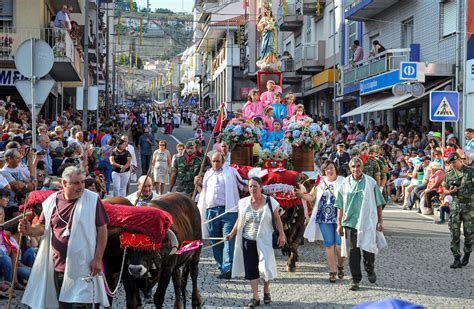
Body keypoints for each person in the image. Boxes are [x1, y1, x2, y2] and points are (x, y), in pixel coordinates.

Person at [19, 166, 110, 308]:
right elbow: (42, 227)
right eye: (76, 183)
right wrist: (29, 230)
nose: (81, 187)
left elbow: (102, 230)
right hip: (59, 266)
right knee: (64, 305)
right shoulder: (51, 201)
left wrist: (98, 258)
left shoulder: (92, 199)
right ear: (64, 183)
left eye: (82, 182)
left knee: (83, 305)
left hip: (85, 265)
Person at [226, 177, 285, 307]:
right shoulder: (243, 202)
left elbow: (277, 219)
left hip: (265, 239)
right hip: (248, 240)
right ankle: (255, 297)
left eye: (255, 186)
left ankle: (266, 291)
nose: (252, 189)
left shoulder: (270, 202)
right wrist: (231, 234)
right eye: (250, 186)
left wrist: (282, 234)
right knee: (251, 268)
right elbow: (239, 220)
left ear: (261, 187)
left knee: (265, 267)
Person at [336, 157, 385, 291]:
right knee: (353, 253)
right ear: (350, 168)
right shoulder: (345, 184)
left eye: (358, 166)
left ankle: (370, 269)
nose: (355, 169)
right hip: (350, 223)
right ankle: (355, 280)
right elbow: (339, 205)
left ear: (362, 167)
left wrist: (380, 222)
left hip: (367, 222)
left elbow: (379, 203)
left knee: (368, 251)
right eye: (353, 166)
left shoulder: (371, 182)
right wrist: (339, 224)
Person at [195, 152, 245, 279]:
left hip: (228, 211)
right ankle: (221, 267)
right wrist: (198, 185)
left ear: (223, 161)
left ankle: (228, 268)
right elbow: (204, 192)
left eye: (217, 161)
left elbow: (242, 184)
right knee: (215, 241)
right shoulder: (207, 173)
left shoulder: (231, 172)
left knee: (228, 238)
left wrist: (256, 187)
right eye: (213, 161)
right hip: (211, 211)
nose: (215, 163)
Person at [301, 161, 346, 283]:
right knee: (329, 245)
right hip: (324, 217)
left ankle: (341, 265)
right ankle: (332, 272)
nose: (329, 171)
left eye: (331, 168)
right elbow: (311, 197)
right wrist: (301, 194)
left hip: (339, 218)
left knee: (339, 246)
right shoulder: (320, 182)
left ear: (335, 169)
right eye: (327, 170)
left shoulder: (343, 181)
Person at [443, 152, 473, 268]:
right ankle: (456, 258)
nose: (453, 165)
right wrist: (449, 191)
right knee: (454, 233)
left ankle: (467, 252)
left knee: (469, 234)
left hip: (469, 208)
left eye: (454, 162)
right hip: (455, 207)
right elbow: (443, 190)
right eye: (451, 163)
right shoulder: (449, 174)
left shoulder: (470, 172)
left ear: (460, 160)